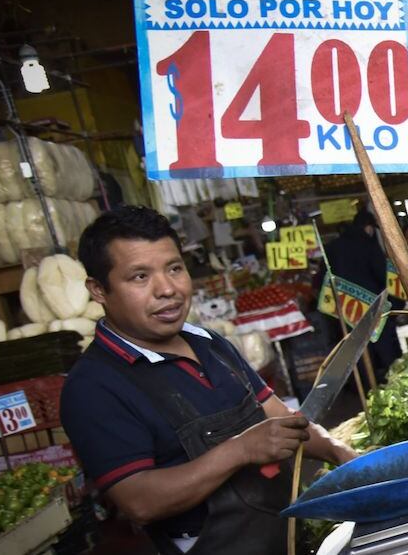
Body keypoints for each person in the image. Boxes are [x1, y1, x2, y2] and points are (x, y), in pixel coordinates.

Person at [61, 206, 357, 555]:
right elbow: (140, 500)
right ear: (98, 289)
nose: (167, 289)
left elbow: (281, 418)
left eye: (174, 268)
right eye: (140, 277)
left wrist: (340, 453)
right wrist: (241, 450)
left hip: (290, 535)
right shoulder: (93, 387)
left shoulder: (209, 343)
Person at [314, 209, 407, 379]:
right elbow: (383, 275)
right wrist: (397, 304)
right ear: (368, 227)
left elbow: (321, 280)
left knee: (359, 352)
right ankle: (396, 380)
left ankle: (368, 386)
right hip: (374, 307)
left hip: (347, 309)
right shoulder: (368, 245)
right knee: (385, 348)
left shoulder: (332, 248)